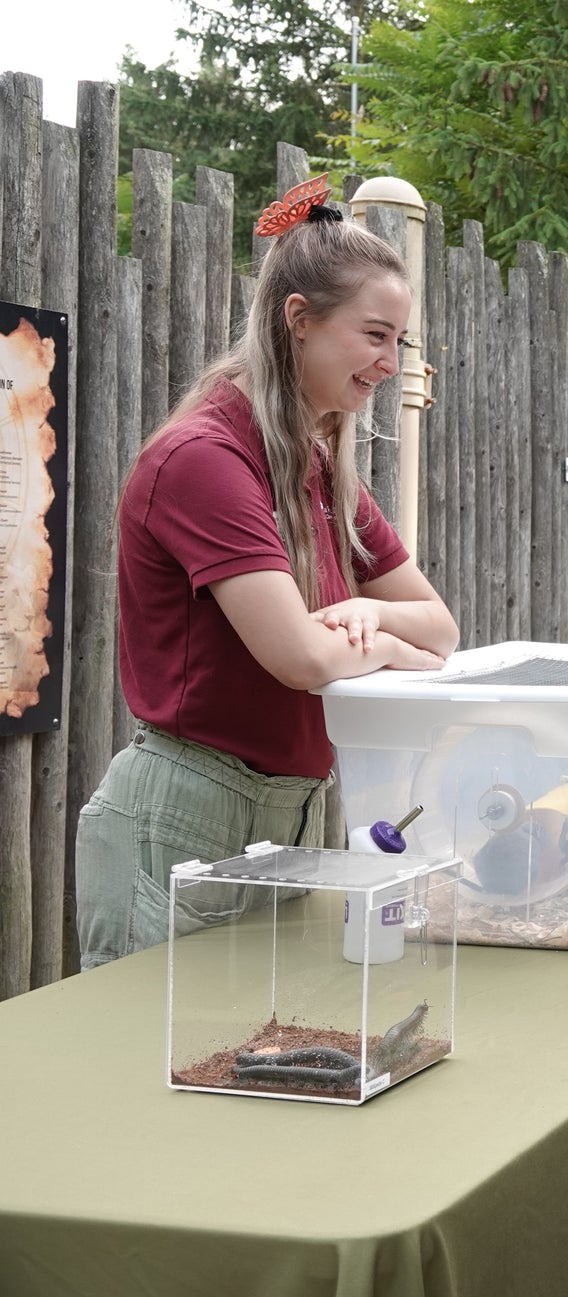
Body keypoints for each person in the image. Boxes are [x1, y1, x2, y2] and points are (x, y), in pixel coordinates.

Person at [75, 177, 459, 971]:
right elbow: (302, 657)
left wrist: (369, 616)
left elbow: (442, 628)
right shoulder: (205, 459)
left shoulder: (321, 468)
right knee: (156, 1043)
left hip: (291, 813)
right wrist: (389, 644)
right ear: (299, 319)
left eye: (399, 341)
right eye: (376, 335)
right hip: (188, 816)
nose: (391, 363)